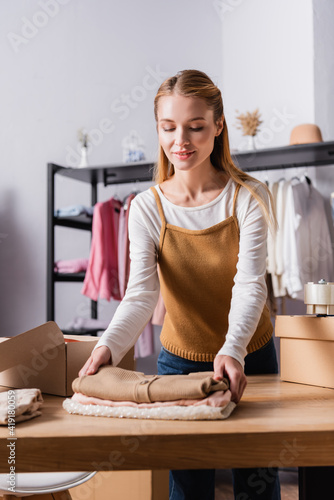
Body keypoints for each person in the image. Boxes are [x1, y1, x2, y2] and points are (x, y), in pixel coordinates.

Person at [79, 69, 280, 500]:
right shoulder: (146, 208)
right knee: (188, 486)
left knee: (257, 483)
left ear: (219, 126)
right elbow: (141, 294)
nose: (181, 141)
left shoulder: (249, 197)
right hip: (179, 363)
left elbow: (249, 286)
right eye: (169, 128)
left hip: (250, 355)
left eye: (196, 127)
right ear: (158, 128)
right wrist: (107, 347)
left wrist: (233, 349)